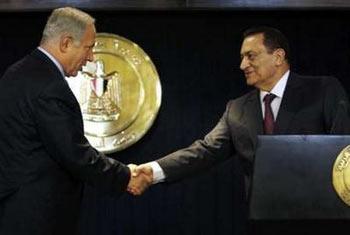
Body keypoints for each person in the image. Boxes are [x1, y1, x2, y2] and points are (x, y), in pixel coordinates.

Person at [128, 26, 350, 197]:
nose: (243, 65)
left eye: (251, 56)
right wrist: (152, 171)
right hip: (263, 221)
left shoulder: (323, 90)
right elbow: (204, 152)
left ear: (278, 57)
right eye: (242, 57)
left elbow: (345, 151)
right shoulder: (237, 109)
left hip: (321, 216)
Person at [0, 7, 151, 235]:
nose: (91, 57)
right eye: (89, 48)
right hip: (37, 216)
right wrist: (125, 176)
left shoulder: (16, 73)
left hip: (16, 210)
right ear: (66, 43)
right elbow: (75, 154)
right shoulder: (48, 86)